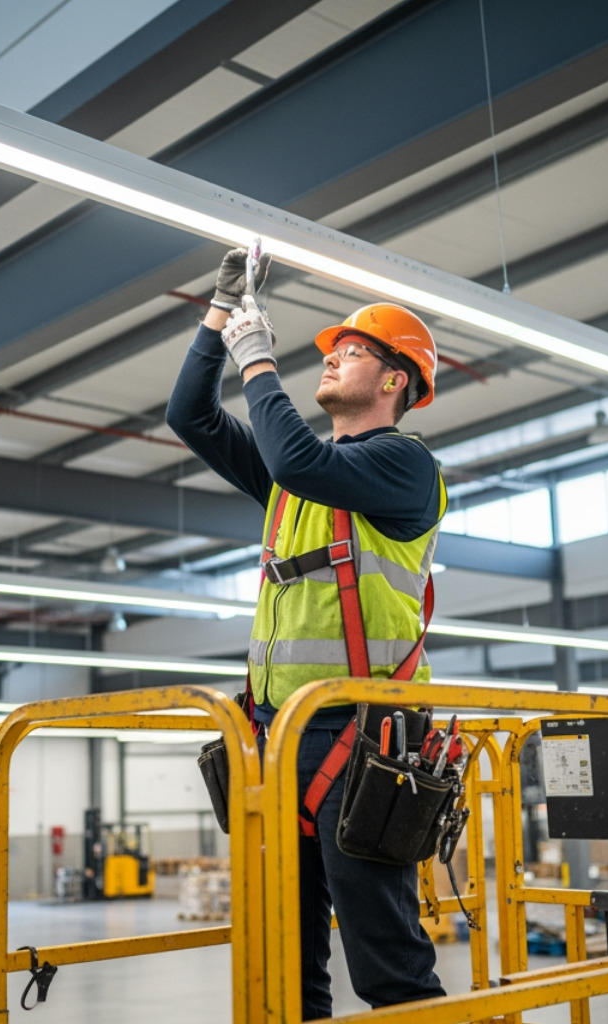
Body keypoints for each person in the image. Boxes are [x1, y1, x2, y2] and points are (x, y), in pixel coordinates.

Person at [166, 248, 448, 1019]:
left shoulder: (403, 466)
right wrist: (221, 314)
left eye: (351, 352)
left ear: (395, 381)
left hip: (364, 740)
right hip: (276, 738)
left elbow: (293, 453)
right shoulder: (298, 479)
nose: (331, 361)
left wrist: (257, 357)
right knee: (285, 958)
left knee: (387, 963)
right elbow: (187, 416)